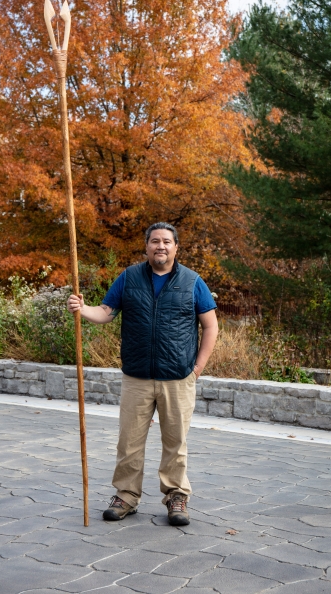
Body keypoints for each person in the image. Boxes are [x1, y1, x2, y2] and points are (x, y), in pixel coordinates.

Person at [67, 222, 218, 526]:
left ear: (176, 247)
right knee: (129, 441)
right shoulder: (129, 277)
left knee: (175, 442)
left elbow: (210, 326)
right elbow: (106, 312)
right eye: (154, 242)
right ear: (146, 246)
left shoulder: (193, 281)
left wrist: (198, 367)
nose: (160, 246)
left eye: (166, 242)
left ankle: (176, 497)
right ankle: (126, 496)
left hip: (177, 377)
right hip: (137, 376)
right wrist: (83, 309)